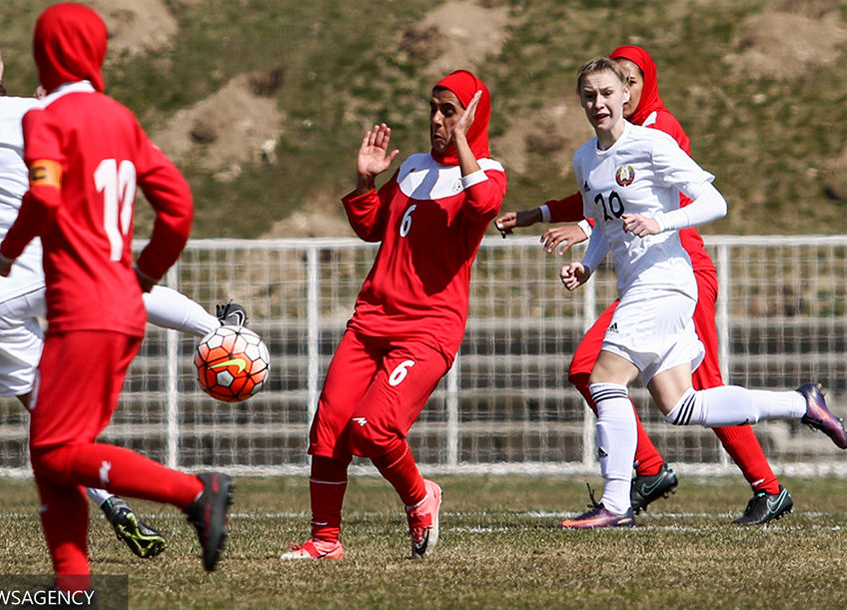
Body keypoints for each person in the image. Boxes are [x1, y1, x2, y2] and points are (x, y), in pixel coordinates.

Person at [0, 23, 243, 561]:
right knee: (121, 287)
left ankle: (109, 505)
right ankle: (218, 329)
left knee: (49, 429)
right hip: (45, 262)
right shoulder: (33, 114)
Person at [496, 45, 792, 524]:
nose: (615, 96)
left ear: (641, 84)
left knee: (622, 377)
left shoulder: (656, 132)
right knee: (675, 400)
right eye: (598, 91)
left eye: (626, 84)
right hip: (640, 277)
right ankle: (794, 409)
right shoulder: (595, 149)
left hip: (678, 270)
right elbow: (600, 197)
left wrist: (591, 229)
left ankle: (752, 486)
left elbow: (655, 201)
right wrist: (549, 218)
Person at [549, 56, 847, 528]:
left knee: (604, 378)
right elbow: (604, 226)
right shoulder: (585, 159)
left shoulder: (652, 144)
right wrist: (586, 267)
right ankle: (802, 403)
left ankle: (615, 504)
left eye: (608, 93)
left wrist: (659, 221)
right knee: (682, 405)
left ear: (626, 94)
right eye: (589, 95)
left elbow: (714, 202)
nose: (599, 103)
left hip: (665, 282)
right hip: (639, 287)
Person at [281, 70, 506, 559]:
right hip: (371, 322)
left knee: (373, 427)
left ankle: (421, 496)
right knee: (330, 427)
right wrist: (366, 180)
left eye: (451, 111)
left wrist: (464, 140)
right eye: (434, 108)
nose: (437, 120)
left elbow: (483, 204)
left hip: (427, 330)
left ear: (472, 115)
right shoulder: (413, 168)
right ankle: (325, 540)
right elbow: (370, 227)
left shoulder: (487, 170)